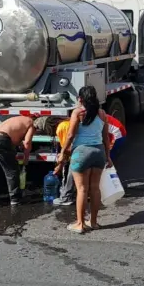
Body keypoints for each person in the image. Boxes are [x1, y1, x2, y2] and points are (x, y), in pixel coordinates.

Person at [54, 86, 112, 233]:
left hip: (81, 152)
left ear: (80, 99)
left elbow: (70, 135)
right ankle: (93, 222)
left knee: (82, 189)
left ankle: (80, 224)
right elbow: (106, 137)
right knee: (95, 188)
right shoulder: (102, 113)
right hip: (99, 152)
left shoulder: (78, 112)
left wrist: (62, 152)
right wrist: (108, 157)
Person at [53, 114, 126, 207]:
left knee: (103, 165)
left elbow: (71, 146)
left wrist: (63, 156)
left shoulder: (68, 124)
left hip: (117, 134)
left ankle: (106, 189)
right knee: (101, 164)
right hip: (117, 132)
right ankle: (99, 189)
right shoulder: (88, 115)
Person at [0, 115, 38, 206]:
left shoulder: (18, 119)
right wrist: (25, 160)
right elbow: (27, 143)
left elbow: (13, 135)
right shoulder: (32, 123)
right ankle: (15, 199)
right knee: (12, 171)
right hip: (0, 140)